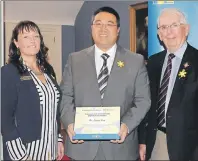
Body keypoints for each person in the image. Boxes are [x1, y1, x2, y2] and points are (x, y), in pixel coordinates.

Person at [60, 6, 150, 160]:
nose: (103, 28)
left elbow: (143, 100)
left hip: (120, 147)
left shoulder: (135, 61)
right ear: (91, 28)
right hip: (82, 148)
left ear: (118, 29)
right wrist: (70, 122)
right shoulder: (75, 59)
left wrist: (126, 125)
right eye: (98, 23)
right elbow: (65, 96)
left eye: (110, 24)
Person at [139, 8, 198, 160]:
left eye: (174, 25)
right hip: (157, 141)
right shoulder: (153, 62)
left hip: (190, 147)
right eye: (163, 27)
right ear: (159, 34)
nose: (168, 32)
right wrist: (143, 141)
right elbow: (147, 104)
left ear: (186, 29)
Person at [1, 20, 64, 160]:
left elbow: (54, 110)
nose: (32, 40)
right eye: (26, 36)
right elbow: (5, 118)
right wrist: (20, 155)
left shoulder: (48, 71)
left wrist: (59, 139)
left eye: (36, 36)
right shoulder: (9, 72)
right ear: (16, 43)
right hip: (26, 152)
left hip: (50, 149)